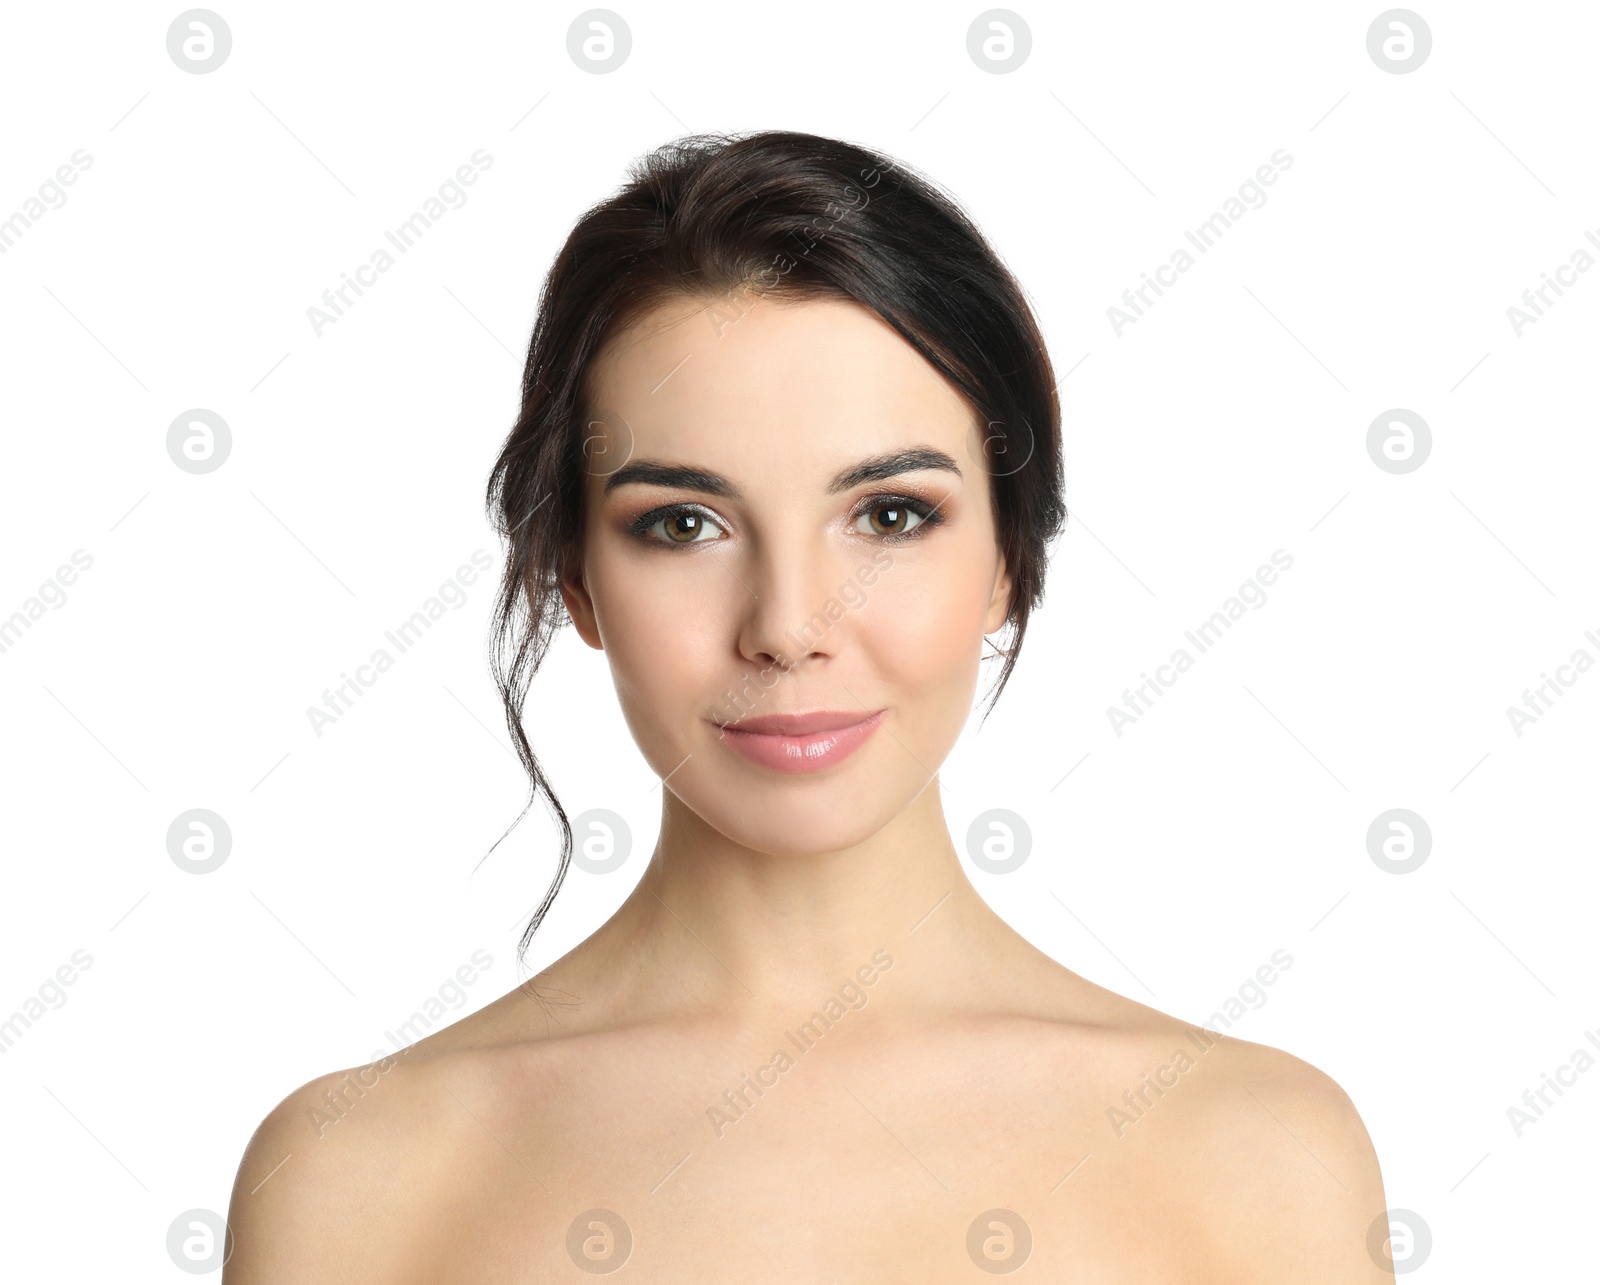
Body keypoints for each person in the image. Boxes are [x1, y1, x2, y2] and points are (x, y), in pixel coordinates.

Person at [224, 130, 1390, 1281]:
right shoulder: (358, 1179)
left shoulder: (1258, 1159)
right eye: (682, 523)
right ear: (572, 576)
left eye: (887, 515)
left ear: (1005, 557)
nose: (787, 625)